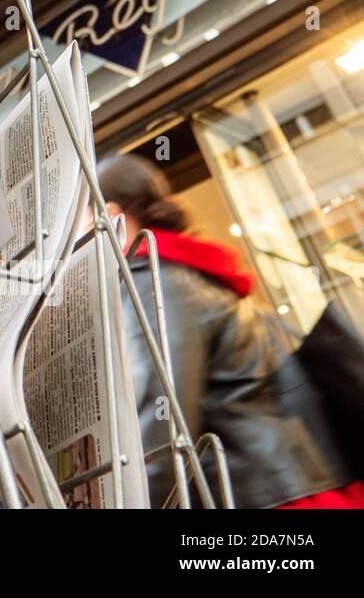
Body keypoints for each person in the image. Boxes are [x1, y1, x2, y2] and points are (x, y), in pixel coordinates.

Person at [98, 153, 362, 508]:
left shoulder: (156, 282)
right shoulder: (201, 274)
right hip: (300, 484)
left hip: (263, 496)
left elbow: (163, 425)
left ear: (113, 216)